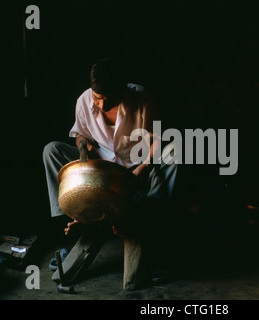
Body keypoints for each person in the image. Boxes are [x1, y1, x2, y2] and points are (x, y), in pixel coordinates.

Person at [42, 58, 178, 284]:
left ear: (123, 90)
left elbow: (156, 138)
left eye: (109, 99)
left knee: (174, 152)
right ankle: (74, 215)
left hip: (136, 166)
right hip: (101, 166)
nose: (102, 105)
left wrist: (145, 165)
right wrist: (84, 148)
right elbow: (80, 134)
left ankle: (153, 224)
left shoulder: (141, 99)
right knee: (52, 150)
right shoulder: (84, 101)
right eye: (98, 98)